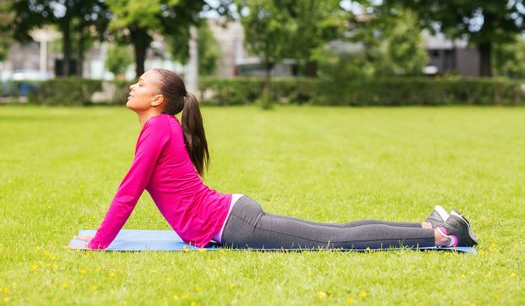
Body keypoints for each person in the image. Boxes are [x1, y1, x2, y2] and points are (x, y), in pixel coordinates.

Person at [70, 68, 478, 251]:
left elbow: (130, 189)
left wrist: (100, 242)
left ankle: (441, 236)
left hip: (233, 223)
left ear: (157, 99)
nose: (132, 86)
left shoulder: (158, 127)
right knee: (332, 232)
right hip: (232, 214)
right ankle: (430, 226)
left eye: (140, 83)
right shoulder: (161, 128)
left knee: (332, 240)